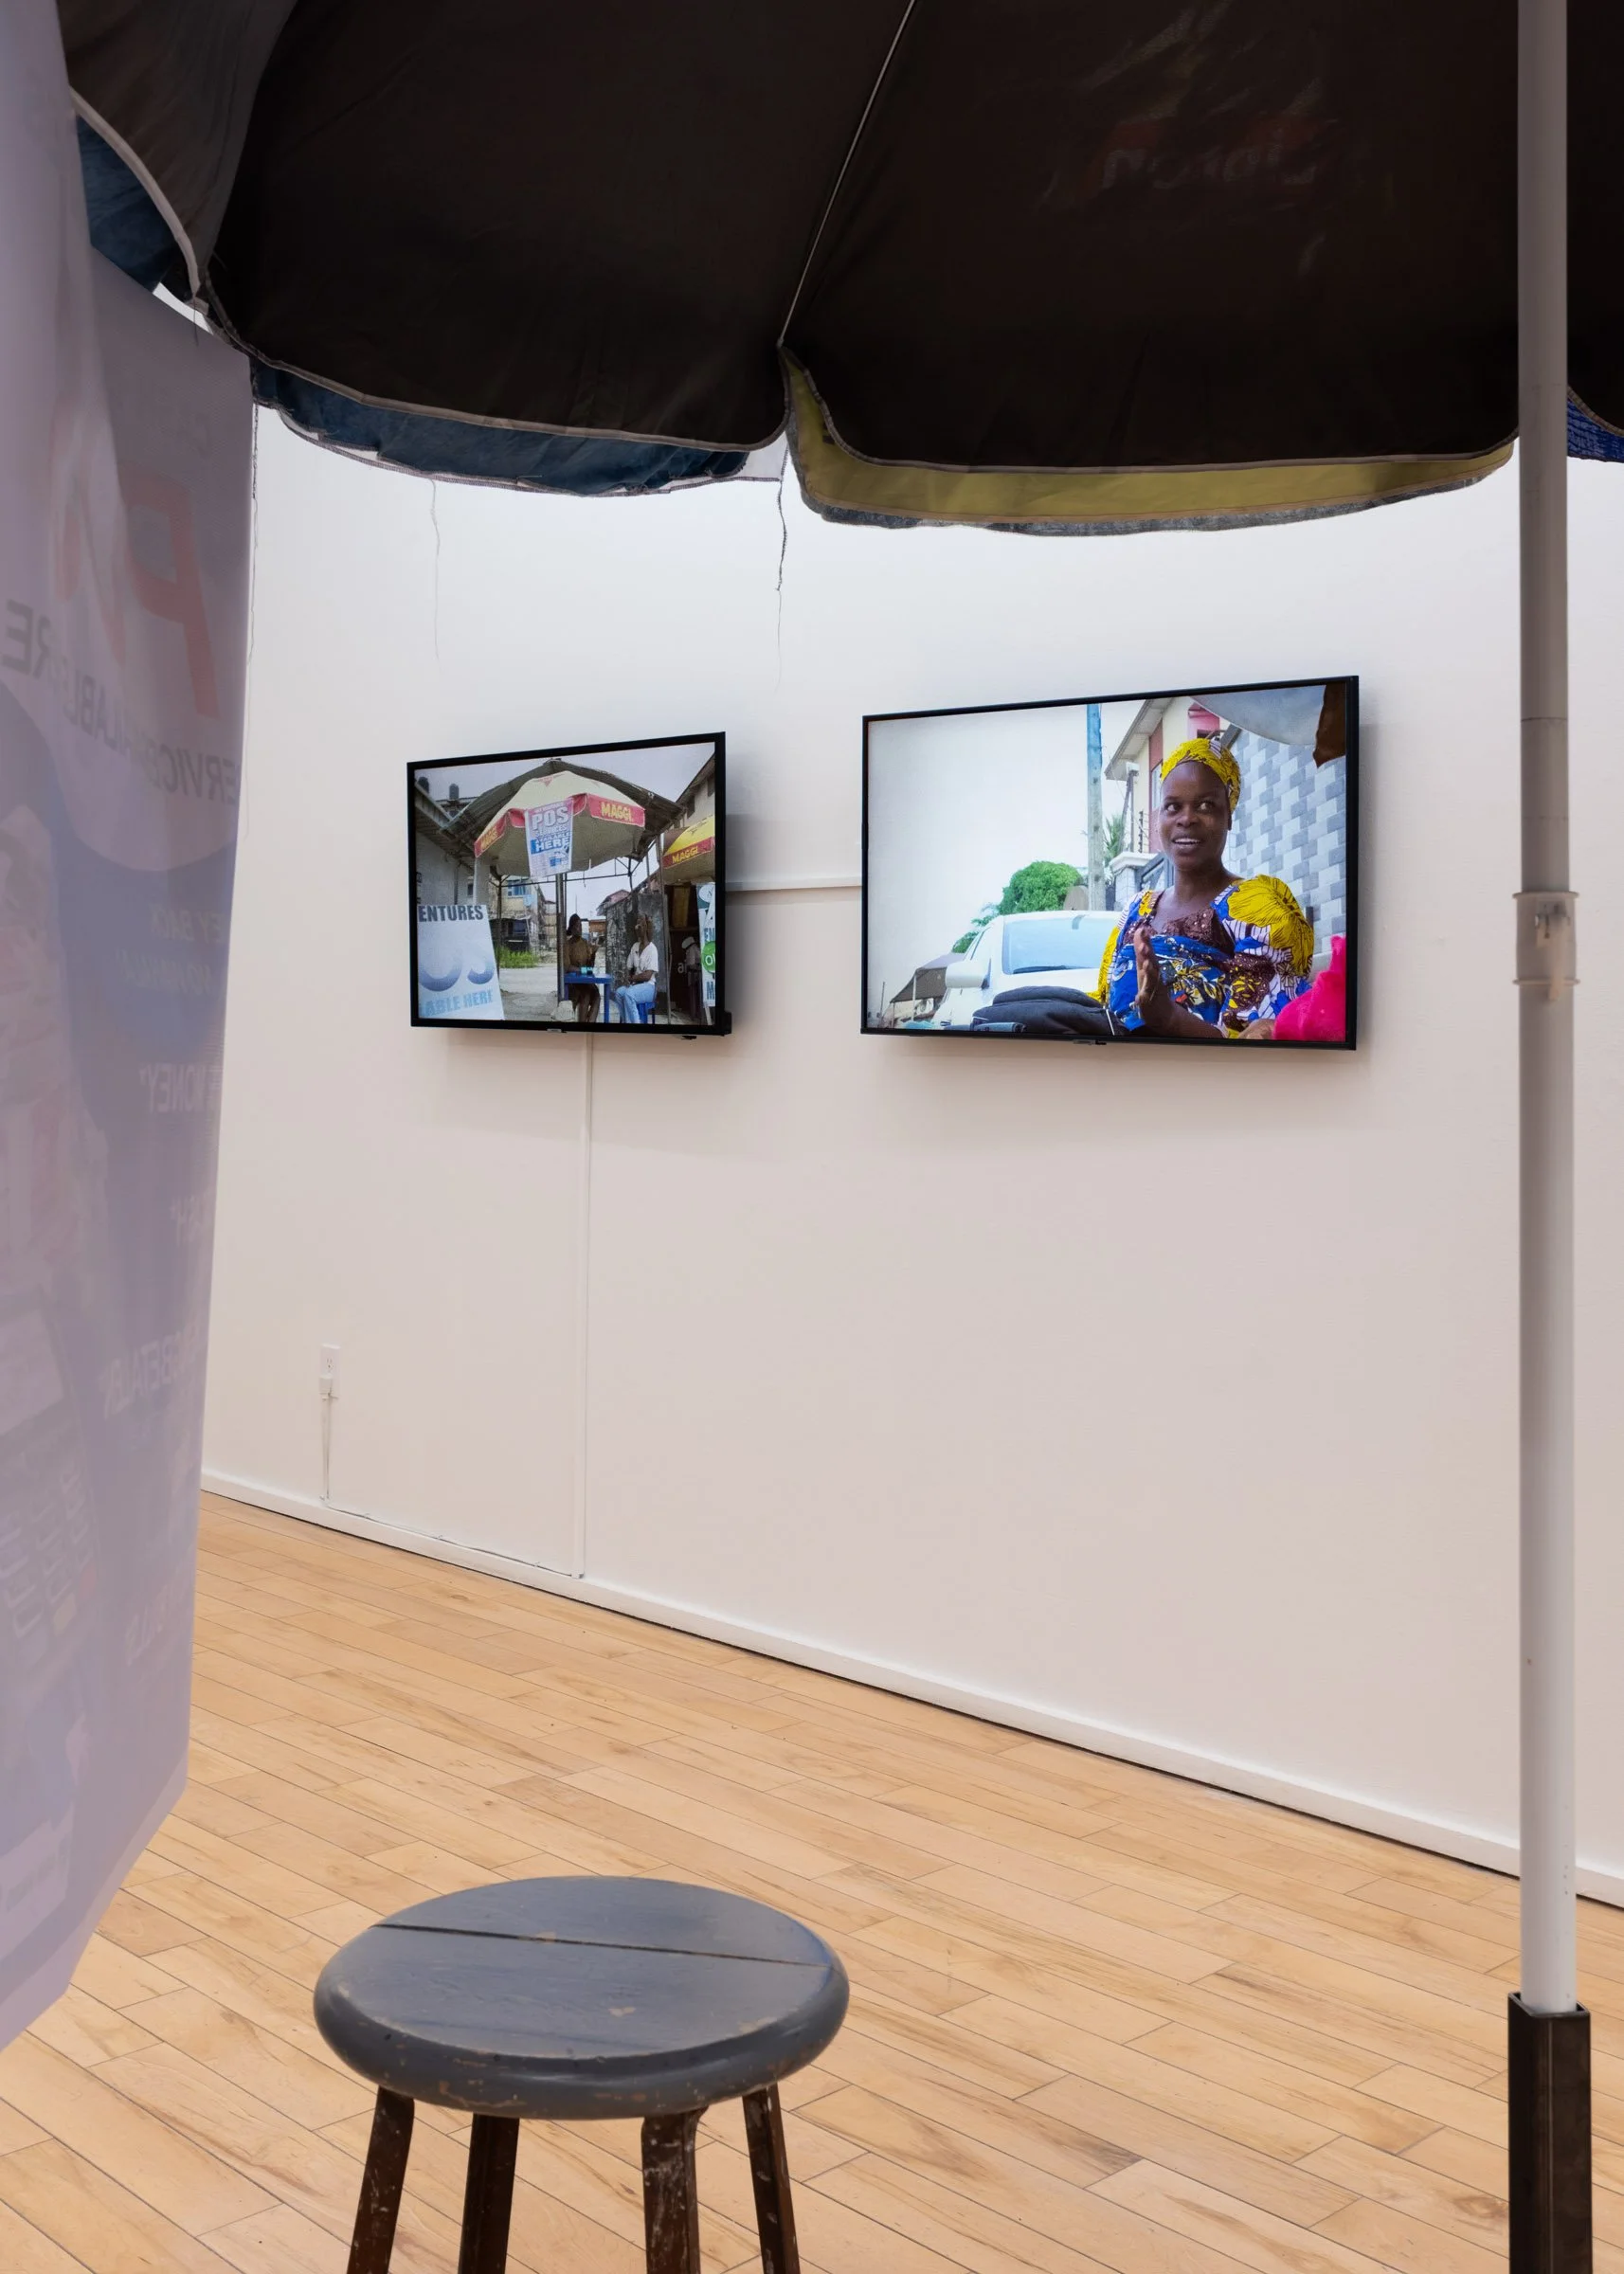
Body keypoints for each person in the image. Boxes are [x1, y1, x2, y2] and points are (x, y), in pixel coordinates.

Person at [1096, 736, 1314, 1038]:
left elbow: (1258, 1046)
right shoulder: (1136, 909)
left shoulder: (1257, 911)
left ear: (1229, 814)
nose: (1187, 819)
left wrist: (1169, 1019)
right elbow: (1103, 1009)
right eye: (1173, 806)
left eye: (1205, 805)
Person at [614, 915, 659, 1023]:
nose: (637, 927)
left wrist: (633, 977)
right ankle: (626, 1022)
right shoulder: (635, 946)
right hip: (636, 985)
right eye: (637, 925)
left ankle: (636, 1024)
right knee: (619, 993)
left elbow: (647, 976)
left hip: (649, 987)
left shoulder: (652, 949)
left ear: (645, 928)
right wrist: (626, 977)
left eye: (641, 925)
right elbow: (628, 967)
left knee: (629, 994)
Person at [563, 913, 599, 1024]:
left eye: (581, 926)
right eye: (578, 926)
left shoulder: (585, 943)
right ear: (572, 929)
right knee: (586, 995)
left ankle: (590, 1023)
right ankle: (582, 1027)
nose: (580, 928)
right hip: (574, 983)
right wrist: (582, 970)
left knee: (597, 995)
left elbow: (590, 967)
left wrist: (593, 954)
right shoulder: (567, 945)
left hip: (585, 981)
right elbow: (568, 967)